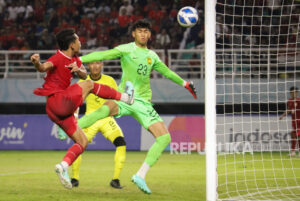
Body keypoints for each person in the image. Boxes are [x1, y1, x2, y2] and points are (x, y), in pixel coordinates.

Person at [73, 19, 197, 194]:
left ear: (150, 34)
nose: (143, 34)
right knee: (104, 109)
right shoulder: (126, 49)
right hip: (125, 97)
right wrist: (79, 61)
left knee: (164, 138)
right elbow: (104, 54)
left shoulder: (152, 56)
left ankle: (140, 175)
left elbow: (167, 72)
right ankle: (71, 128)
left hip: (143, 103)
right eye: (139, 31)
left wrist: (185, 84)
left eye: (146, 31)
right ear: (134, 34)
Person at [30, 28, 134, 189]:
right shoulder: (59, 57)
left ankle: (63, 166)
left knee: (82, 142)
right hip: (58, 101)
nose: (81, 42)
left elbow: (84, 75)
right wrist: (37, 62)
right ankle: (126, 97)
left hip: (55, 112)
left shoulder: (76, 60)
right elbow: (44, 67)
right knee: (90, 85)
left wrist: (78, 70)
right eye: (78, 40)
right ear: (72, 45)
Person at [58, 61, 126, 189]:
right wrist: (76, 118)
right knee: (79, 145)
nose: (95, 66)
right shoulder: (83, 82)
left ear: (102, 65)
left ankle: (115, 180)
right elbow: (75, 103)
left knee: (121, 143)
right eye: (92, 64)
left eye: (98, 63)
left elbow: (116, 99)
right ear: (88, 66)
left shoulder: (110, 80)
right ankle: (74, 178)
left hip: (106, 119)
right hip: (90, 119)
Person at [280, 86, 300, 157]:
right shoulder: (290, 100)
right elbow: (289, 109)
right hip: (294, 122)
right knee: (295, 136)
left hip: (299, 121)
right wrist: (283, 115)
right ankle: (293, 152)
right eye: (291, 92)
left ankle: (293, 152)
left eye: (294, 92)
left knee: (294, 135)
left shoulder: (299, 100)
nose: (293, 94)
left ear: (297, 93)